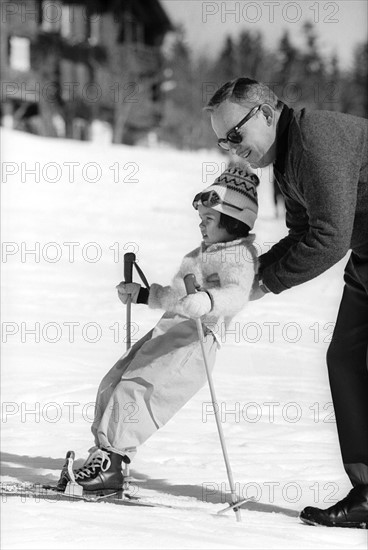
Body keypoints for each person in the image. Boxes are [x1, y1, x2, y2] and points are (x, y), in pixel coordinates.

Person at [206, 77, 368, 529]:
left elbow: (329, 238)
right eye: (222, 141)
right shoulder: (288, 158)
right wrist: (245, 275)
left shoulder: (316, 140)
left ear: (266, 111)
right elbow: (302, 234)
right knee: (346, 359)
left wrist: (263, 285)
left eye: (235, 135)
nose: (231, 149)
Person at [57, 167, 258, 493]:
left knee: (138, 391)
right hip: (170, 330)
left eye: (209, 219)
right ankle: (106, 458)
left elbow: (235, 295)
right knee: (114, 381)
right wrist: (143, 295)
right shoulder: (199, 254)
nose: (201, 224)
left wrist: (208, 301)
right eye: (201, 218)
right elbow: (177, 295)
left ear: (232, 221)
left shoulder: (238, 257)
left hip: (196, 341)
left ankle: (112, 465)